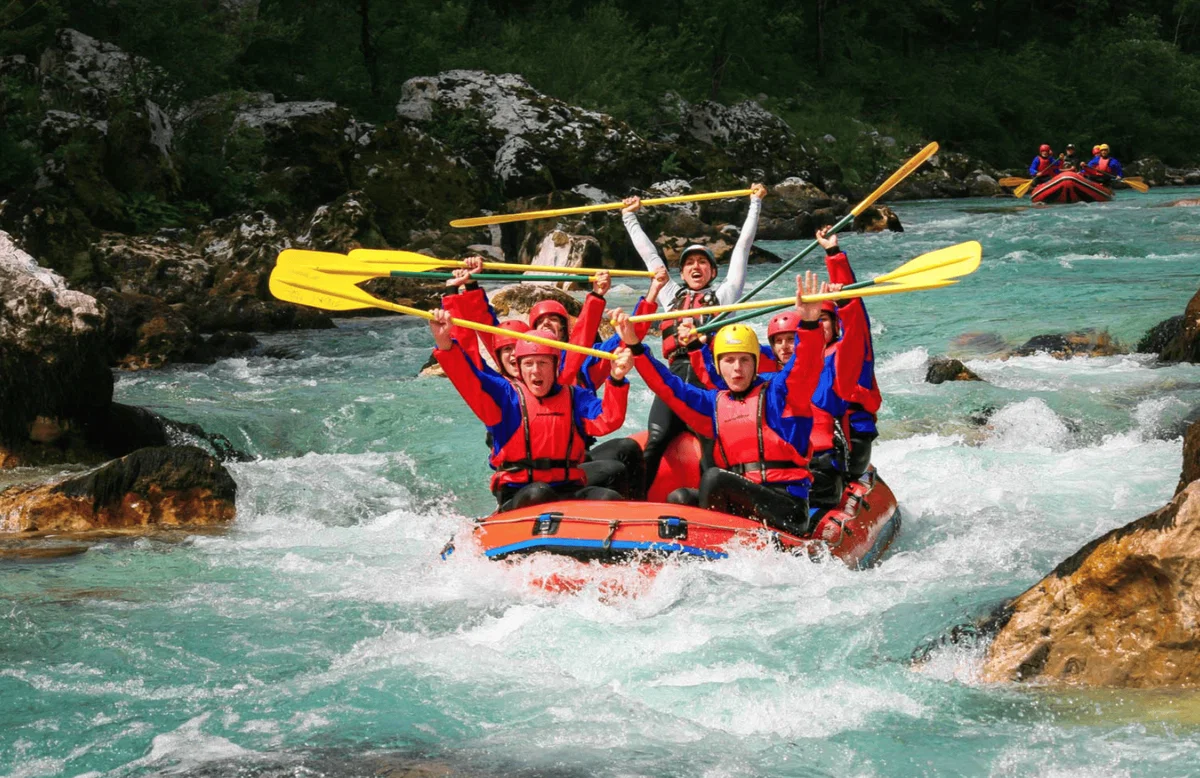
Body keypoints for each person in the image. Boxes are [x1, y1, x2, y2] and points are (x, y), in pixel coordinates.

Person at [614, 273, 825, 537]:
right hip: (742, 504)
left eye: (744, 360)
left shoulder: (780, 393)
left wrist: (809, 324)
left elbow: (806, 366)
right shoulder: (714, 404)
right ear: (718, 365)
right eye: (728, 361)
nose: (737, 369)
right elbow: (667, 386)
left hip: (785, 506)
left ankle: (709, 542)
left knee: (713, 477)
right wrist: (635, 346)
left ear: (756, 363)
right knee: (679, 497)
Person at [621, 183, 768, 488]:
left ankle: (712, 504)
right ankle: (635, 501)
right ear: (683, 272)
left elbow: (741, 248)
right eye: (689, 263)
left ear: (712, 272)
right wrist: (629, 218)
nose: (695, 266)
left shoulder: (725, 295)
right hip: (674, 374)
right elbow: (651, 259)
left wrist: (755, 203)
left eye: (703, 262)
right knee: (656, 438)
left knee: (710, 442)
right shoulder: (670, 295)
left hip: (709, 376)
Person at [431, 310, 635, 510]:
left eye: (543, 363)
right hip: (520, 492)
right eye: (528, 364)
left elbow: (608, 419)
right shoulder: (505, 397)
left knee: (610, 498)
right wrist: (445, 344)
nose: (535, 371)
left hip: (567, 488)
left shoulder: (575, 397)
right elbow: (468, 379)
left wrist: (616, 380)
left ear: (555, 367)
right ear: (519, 368)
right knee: (539, 493)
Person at [817, 227, 881, 482]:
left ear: (835, 324)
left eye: (824, 319)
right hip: (818, 439)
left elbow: (855, 310)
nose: (818, 325)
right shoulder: (796, 357)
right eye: (814, 320)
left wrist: (834, 255)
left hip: (850, 441)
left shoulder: (852, 349)